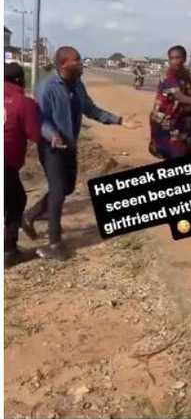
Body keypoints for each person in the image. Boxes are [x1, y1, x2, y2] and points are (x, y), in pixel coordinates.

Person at [25, 46, 141, 260]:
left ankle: (30, 215)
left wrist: (120, 120)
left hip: (69, 144)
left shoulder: (77, 84)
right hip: (51, 146)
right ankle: (54, 243)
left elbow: (90, 109)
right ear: (63, 65)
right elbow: (40, 118)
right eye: (76, 60)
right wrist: (52, 135)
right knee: (58, 190)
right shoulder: (47, 86)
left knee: (67, 188)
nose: (80, 63)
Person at [149, 45, 191, 160]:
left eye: (178, 58)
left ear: (184, 58)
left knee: (180, 150)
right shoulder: (168, 75)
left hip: (180, 121)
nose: (175, 61)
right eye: (172, 58)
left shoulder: (185, 75)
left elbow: (190, 92)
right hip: (166, 122)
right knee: (175, 152)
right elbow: (181, 97)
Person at [4, 63, 41, 268]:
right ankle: (9, 251)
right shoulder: (23, 102)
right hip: (6, 163)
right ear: (20, 80)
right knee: (16, 201)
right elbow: (34, 135)